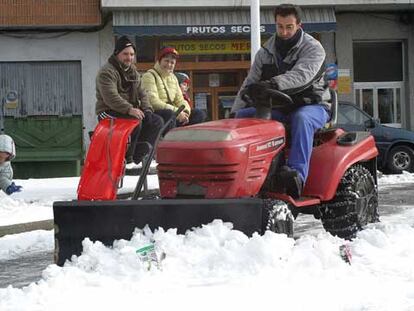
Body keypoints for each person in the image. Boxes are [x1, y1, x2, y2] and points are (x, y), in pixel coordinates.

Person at [231, 4, 331, 199]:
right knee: (243, 118)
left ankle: (296, 177)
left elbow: (302, 76)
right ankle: (243, 175)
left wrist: (272, 84)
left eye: (289, 27)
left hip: (312, 105)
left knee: (301, 119)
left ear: (299, 25)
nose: (284, 32)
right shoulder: (265, 52)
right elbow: (250, 82)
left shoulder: (313, 49)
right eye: (280, 26)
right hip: (279, 107)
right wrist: (235, 111)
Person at [95, 36, 164, 165]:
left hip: (130, 111)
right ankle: (128, 160)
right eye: (125, 54)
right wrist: (129, 109)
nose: (129, 57)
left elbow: (142, 93)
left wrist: (147, 110)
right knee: (134, 122)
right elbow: (110, 97)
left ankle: (141, 157)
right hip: (108, 111)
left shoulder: (133, 72)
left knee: (156, 121)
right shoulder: (107, 72)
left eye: (132, 54)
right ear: (117, 54)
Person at [142, 47, 206, 127]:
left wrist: (185, 112)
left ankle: (187, 137)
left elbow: (180, 100)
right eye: (166, 61)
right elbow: (153, 102)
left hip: (174, 113)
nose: (169, 65)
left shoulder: (173, 78)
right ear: (159, 61)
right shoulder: (149, 76)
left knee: (199, 113)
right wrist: (177, 112)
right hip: (157, 114)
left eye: (172, 63)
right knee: (169, 114)